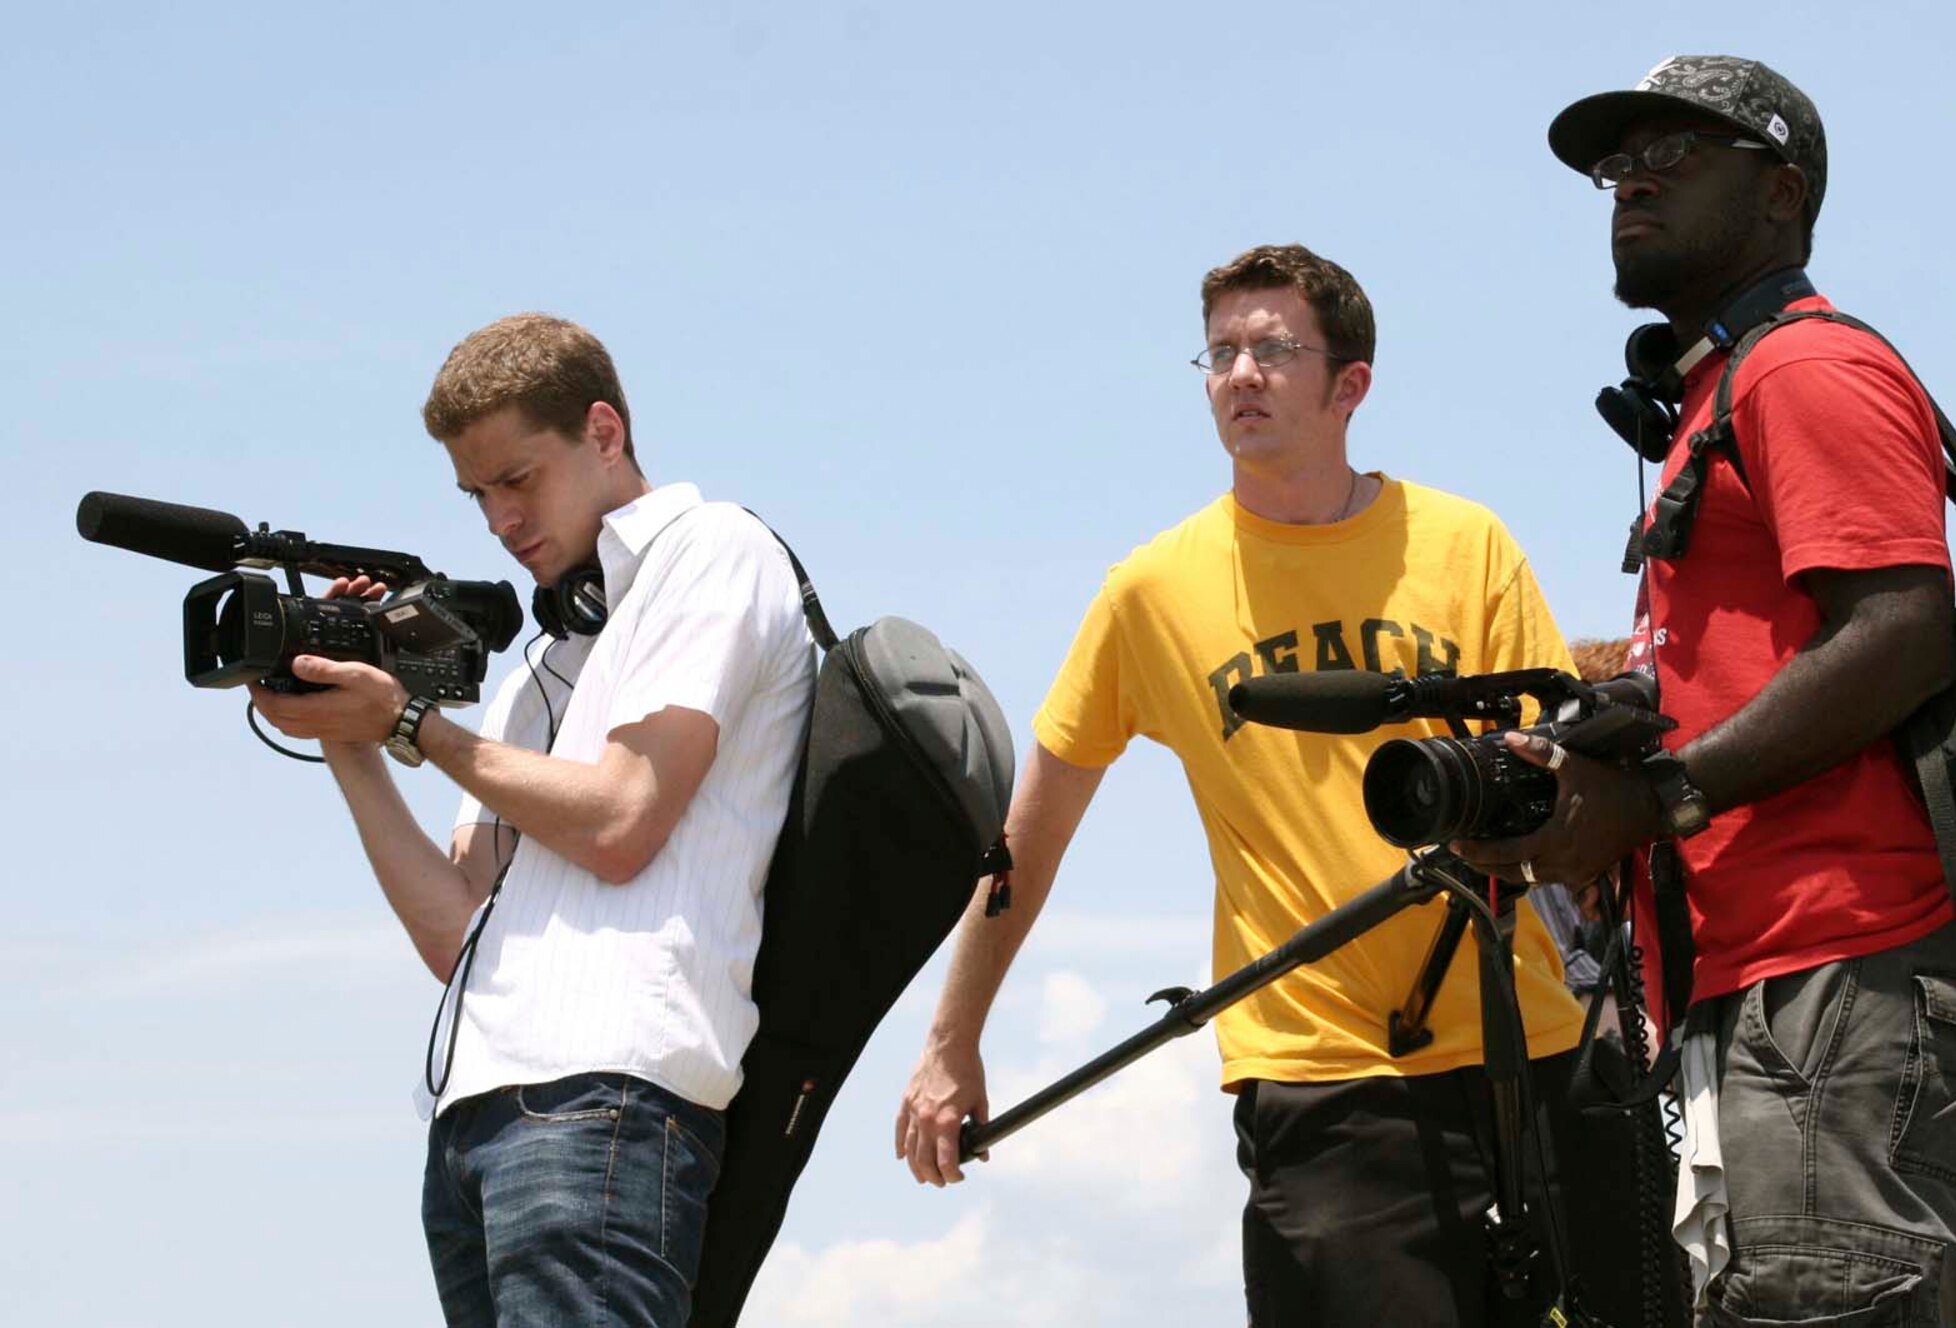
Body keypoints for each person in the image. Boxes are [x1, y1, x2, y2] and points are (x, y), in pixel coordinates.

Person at [897, 244, 1603, 1326]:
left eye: (1273, 349)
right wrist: (951, 1040)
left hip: (1531, 1045)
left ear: (1349, 384)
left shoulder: (1465, 546)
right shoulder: (1151, 591)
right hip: (1319, 1076)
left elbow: (1555, 778)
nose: (1239, 375)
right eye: (1219, 351)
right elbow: (1022, 840)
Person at [1456, 55, 1956, 1322]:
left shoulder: (1798, 368)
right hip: (1773, 991)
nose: (1628, 180)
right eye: (1614, 164)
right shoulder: (1713, 391)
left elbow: (1898, 632)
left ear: (1779, 194)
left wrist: (1656, 794)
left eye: (1677, 155)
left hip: (1841, 979)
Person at [250, 313, 815, 1327]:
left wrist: (416, 722)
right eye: (476, 494)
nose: (500, 519)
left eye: (518, 479)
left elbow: (622, 818)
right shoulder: (542, 668)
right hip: (474, 1118)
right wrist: (350, 736)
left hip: (608, 1096)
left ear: (604, 431)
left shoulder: (712, 551)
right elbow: (451, 930)